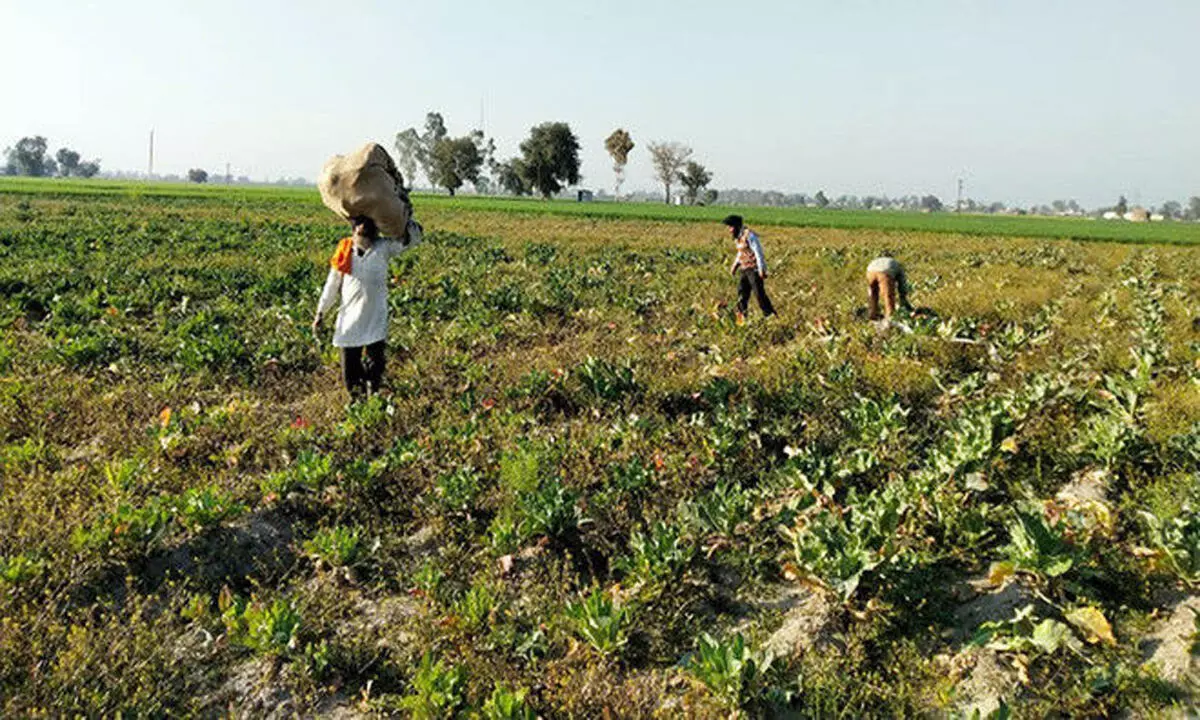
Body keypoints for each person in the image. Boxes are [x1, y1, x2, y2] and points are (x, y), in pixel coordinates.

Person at [312, 215, 421, 399]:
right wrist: (320, 312)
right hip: (349, 319)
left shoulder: (384, 248)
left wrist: (406, 217)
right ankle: (358, 404)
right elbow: (332, 285)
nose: (362, 227)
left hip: (375, 317)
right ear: (353, 228)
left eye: (366, 224)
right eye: (358, 224)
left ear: (374, 229)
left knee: (376, 366)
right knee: (350, 370)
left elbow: (412, 241)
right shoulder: (345, 251)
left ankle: (374, 397)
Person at [723, 214, 775, 322]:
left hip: (753, 269)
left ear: (737, 226)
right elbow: (741, 253)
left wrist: (761, 269)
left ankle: (770, 316)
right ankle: (741, 318)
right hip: (744, 268)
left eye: (731, 227)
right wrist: (734, 266)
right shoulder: (738, 237)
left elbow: (758, 252)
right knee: (742, 294)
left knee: (759, 294)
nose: (729, 230)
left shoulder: (750, 235)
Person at [865, 253, 912, 321]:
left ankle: (873, 314)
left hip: (870, 271)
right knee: (888, 296)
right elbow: (902, 283)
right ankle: (890, 318)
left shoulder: (878, 260)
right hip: (885, 271)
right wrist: (903, 297)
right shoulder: (897, 264)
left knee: (873, 294)